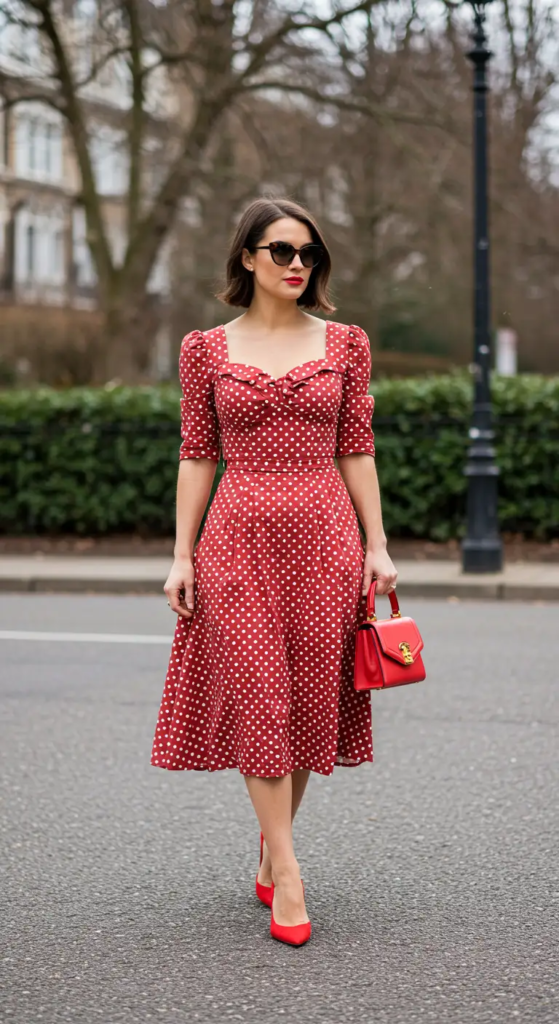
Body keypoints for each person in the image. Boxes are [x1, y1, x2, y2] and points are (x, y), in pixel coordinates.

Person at [151, 196, 398, 946]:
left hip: (326, 540)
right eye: (283, 251)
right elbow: (198, 453)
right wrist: (180, 553)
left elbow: (356, 446)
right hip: (236, 541)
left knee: (306, 703)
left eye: (309, 254)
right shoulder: (205, 349)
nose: (299, 265)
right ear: (248, 258)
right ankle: (286, 871)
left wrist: (377, 544)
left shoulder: (346, 344)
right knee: (260, 698)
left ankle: (270, 840)